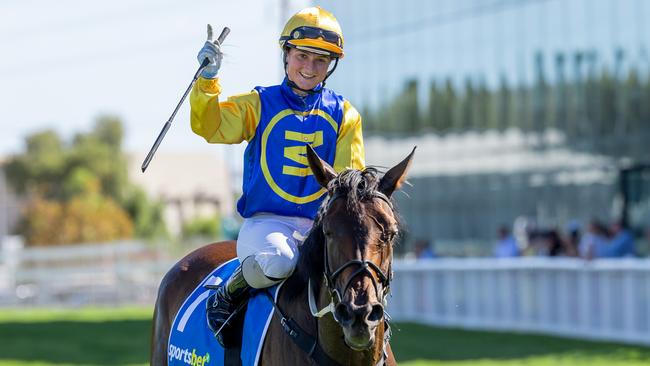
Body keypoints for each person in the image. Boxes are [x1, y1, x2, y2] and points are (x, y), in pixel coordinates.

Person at [190, 7, 365, 346]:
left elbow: (348, 181)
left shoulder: (345, 115)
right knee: (284, 262)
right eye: (302, 56)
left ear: (331, 65)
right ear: (287, 54)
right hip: (267, 226)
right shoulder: (258, 103)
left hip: (318, 228)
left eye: (320, 61)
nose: (309, 68)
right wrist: (207, 79)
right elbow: (210, 126)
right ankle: (228, 293)